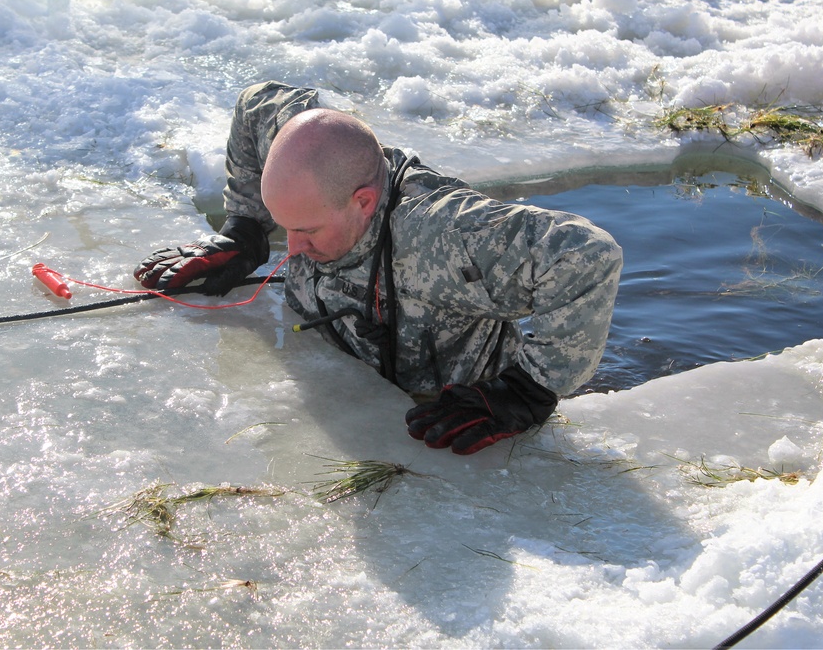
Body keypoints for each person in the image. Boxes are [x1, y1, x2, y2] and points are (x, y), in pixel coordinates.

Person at [135, 81, 622, 455]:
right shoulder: (308, 141)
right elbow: (254, 103)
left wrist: (531, 387)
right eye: (287, 230)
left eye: (306, 231)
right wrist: (246, 226)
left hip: (448, 413)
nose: (294, 249)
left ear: (363, 201)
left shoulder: (442, 232)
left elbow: (585, 254)